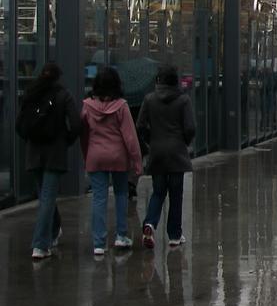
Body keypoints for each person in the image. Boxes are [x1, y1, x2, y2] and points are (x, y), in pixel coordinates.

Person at [16, 62, 81, 260]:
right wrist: (66, 140)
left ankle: (53, 231)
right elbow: (76, 123)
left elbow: (20, 124)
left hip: (34, 152)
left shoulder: (30, 95)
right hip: (55, 153)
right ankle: (40, 244)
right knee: (47, 197)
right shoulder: (64, 95)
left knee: (45, 195)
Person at [81, 66, 142, 256]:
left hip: (96, 155)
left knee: (99, 198)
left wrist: (86, 154)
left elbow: (83, 134)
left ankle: (99, 242)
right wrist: (137, 162)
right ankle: (121, 235)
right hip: (118, 156)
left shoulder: (87, 106)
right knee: (121, 194)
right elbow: (130, 137)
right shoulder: (121, 107)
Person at [138, 65, 196, 249]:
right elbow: (190, 127)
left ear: (158, 81)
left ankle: (150, 223)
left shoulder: (149, 99)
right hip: (177, 152)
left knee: (158, 191)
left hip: (157, 151)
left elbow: (140, 125)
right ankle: (174, 235)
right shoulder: (183, 100)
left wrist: (150, 141)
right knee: (176, 194)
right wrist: (184, 142)